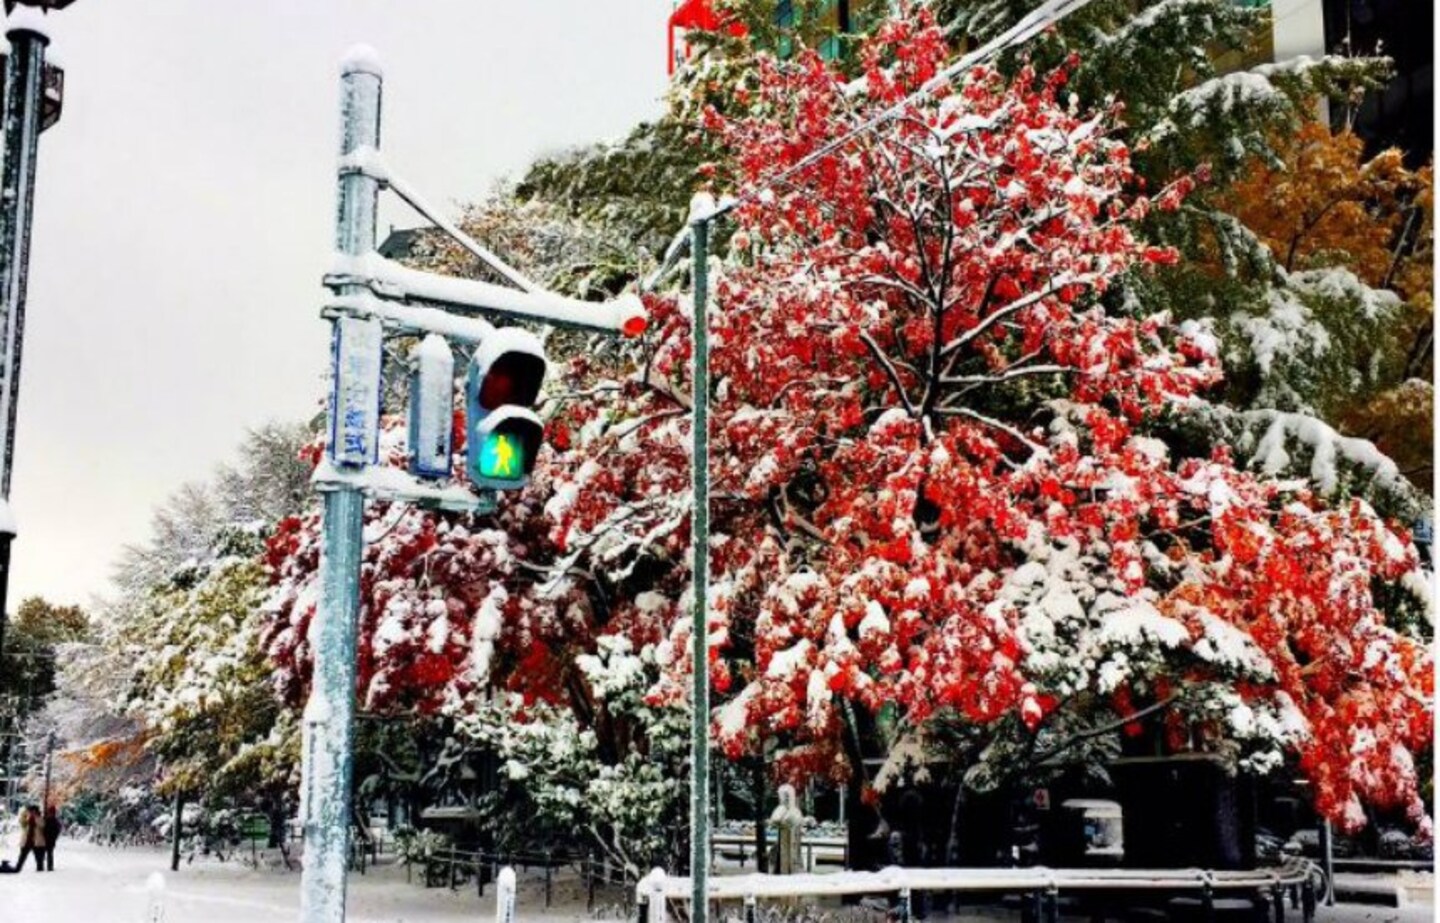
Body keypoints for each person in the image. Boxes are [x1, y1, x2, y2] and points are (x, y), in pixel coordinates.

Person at [15, 803, 46, 871]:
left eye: (31, 811)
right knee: (22, 856)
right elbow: (22, 824)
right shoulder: (27, 817)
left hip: (37, 841)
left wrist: (35, 818)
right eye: (29, 811)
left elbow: (42, 825)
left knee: (39, 858)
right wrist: (24, 817)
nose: (30, 812)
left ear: (35, 811)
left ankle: (40, 870)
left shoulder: (40, 818)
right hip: (27, 841)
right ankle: (17, 868)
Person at [42, 805, 60, 871]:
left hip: (48, 839)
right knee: (48, 853)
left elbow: (57, 831)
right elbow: (57, 830)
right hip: (48, 839)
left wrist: (54, 837)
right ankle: (49, 866)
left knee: (48, 853)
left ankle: (49, 866)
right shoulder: (54, 820)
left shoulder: (48, 820)